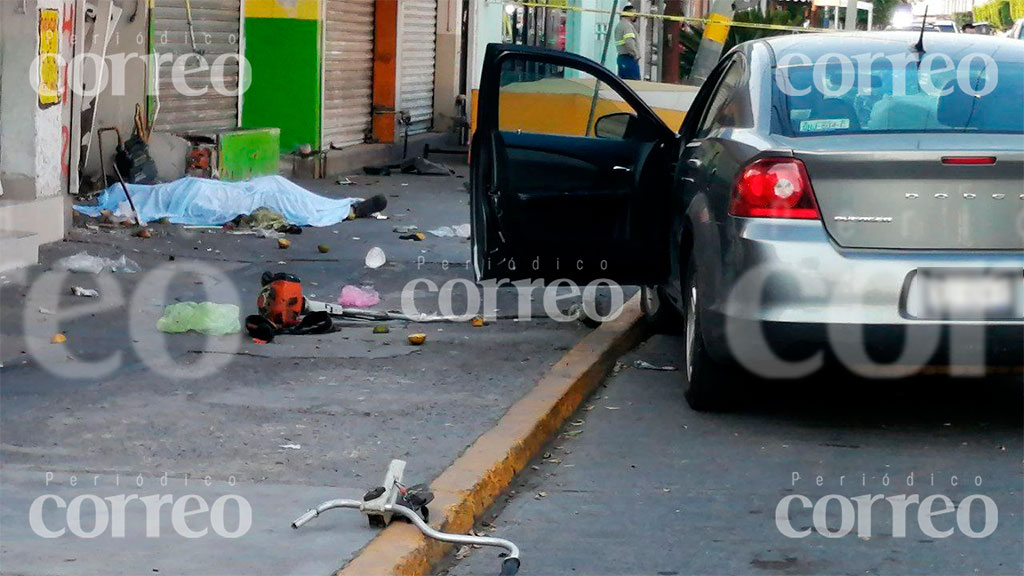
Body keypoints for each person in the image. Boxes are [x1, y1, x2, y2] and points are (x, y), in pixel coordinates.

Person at [614, 4, 641, 80]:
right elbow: (629, 42)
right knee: (633, 83)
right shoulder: (627, 26)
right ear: (629, 13)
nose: (635, 15)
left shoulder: (620, 25)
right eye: (634, 13)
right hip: (628, 58)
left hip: (622, 58)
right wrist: (635, 54)